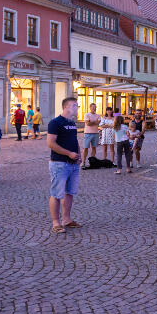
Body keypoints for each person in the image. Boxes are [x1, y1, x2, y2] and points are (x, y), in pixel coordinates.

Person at [46, 97, 83, 234]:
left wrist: (79, 155)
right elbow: (51, 143)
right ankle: (56, 222)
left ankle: (66, 219)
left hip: (73, 164)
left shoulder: (72, 123)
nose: (77, 108)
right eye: (75, 106)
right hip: (59, 163)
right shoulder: (55, 123)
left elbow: (74, 140)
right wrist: (68, 154)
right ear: (67, 106)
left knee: (70, 193)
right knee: (56, 194)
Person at [82, 103, 100, 167]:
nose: (94, 108)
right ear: (90, 108)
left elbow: (98, 123)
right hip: (87, 133)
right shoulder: (86, 114)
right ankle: (83, 162)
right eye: (92, 107)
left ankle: (92, 162)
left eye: (95, 107)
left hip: (95, 133)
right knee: (85, 148)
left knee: (94, 148)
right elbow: (88, 124)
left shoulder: (98, 115)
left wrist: (91, 122)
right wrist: (94, 122)